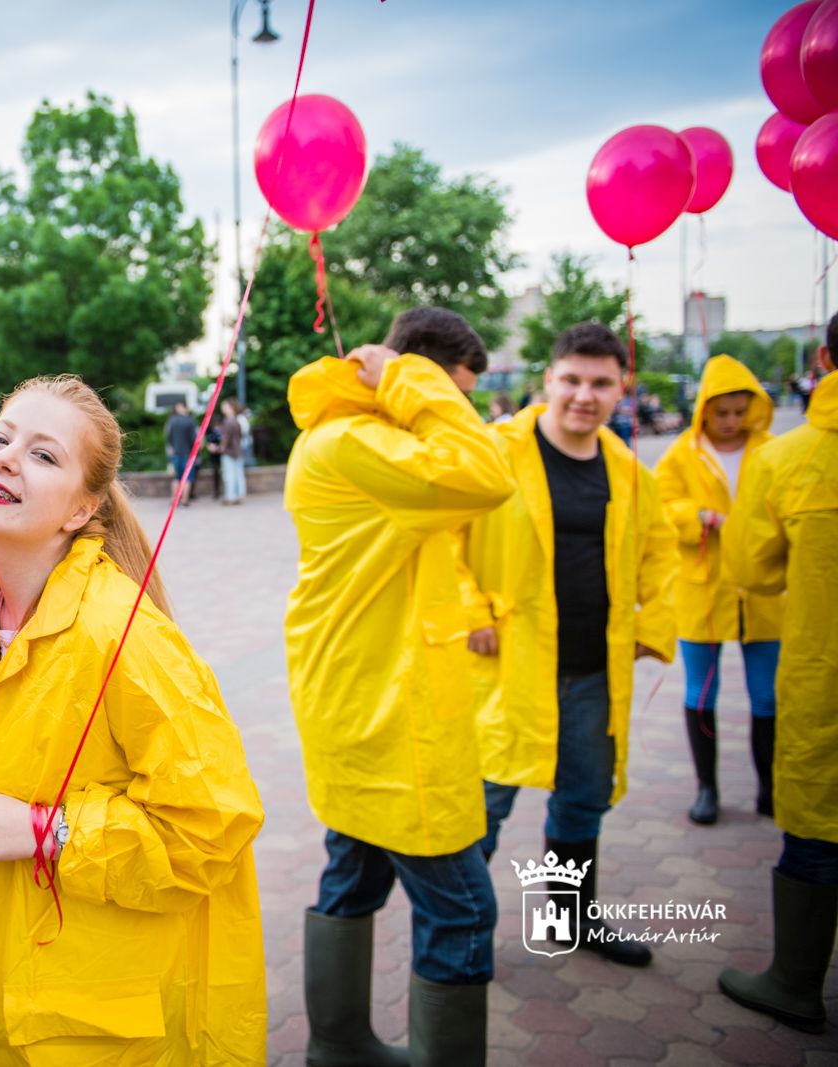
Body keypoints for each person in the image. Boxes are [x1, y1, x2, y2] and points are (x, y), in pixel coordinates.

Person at [0, 374, 265, 1065]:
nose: (5, 458)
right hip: (22, 992)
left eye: (43, 456)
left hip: (123, 1024)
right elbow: (29, 771)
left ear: (81, 509)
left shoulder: (123, 635)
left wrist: (45, 832)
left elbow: (212, 823)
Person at [285, 306, 512, 1065]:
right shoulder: (357, 440)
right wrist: (413, 380)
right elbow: (487, 474)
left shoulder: (358, 440)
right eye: (457, 391)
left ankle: (336, 1043)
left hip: (365, 699)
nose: (463, 410)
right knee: (464, 907)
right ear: (405, 371)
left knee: (353, 873)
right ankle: (346, 1043)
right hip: (387, 714)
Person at [461, 322, 678, 968]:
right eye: (573, 379)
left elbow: (661, 552)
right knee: (483, 803)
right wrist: (469, 608)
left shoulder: (628, 469)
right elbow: (443, 538)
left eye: (602, 383)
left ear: (621, 388)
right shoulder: (493, 451)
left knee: (583, 796)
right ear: (548, 379)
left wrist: (653, 625)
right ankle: (462, 935)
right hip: (509, 664)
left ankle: (568, 919)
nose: (585, 395)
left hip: (592, 670)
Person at [717, 322, 837, 1034]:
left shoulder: (787, 459)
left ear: (823, 359)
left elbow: (750, 568)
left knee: (820, 828)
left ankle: (795, 980)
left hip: (825, 675)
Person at [654, 355, 782, 825]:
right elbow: (661, 506)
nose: (731, 422)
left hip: (763, 590)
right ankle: (707, 787)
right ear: (704, 409)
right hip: (703, 589)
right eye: (721, 412)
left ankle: (770, 787)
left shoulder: (771, 450)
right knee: (701, 690)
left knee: (766, 694)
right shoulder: (681, 455)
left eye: (739, 412)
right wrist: (699, 517)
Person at [164, 400, 197, 504]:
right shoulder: (190, 421)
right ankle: (184, 500)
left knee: (176, 477)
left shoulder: (172, 421)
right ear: (185, 407)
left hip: (175, 453)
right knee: (187, 478)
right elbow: (194, 439)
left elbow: (168, 437)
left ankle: (174, 499)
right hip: (188, 453)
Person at [218, 398, 246, 505]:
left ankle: (231, 496)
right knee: (238, 474)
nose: (222, 408)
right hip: (237, 450)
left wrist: (221, 448)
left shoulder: (229, 421)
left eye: (224, 406)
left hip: (229, 452)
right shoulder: (237, 420)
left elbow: (226, 438)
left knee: (229, 474)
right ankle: (239, 494)